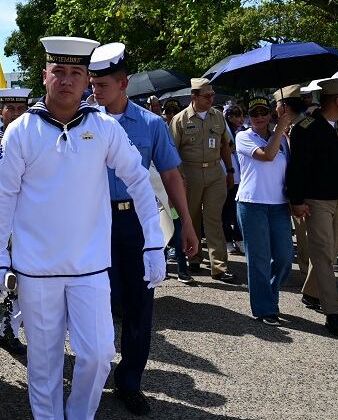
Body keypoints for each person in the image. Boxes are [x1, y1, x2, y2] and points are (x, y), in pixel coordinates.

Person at [0, 36, 166, 420]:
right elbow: (4, 195)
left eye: (76, 73)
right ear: (45, 76)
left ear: (87, 79)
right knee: (44, 363)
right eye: (59, 71)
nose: (66, 80)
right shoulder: (21, 130)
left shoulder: (102, 127)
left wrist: (153, 242)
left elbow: (139, 180)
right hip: (37, 268)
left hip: (89, 266)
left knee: (99, 354)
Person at [88, 43, 198, 416]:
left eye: (102, 85)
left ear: (124, 83)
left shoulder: (151, 125)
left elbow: (171, 175)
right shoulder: (84, 121)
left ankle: (129, 381)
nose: (94, 92)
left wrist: (185, 223)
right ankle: (92, 371)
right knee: (94, 299)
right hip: (91, 222)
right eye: (93, 84)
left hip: (137, 222)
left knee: (139, 303)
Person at [285, 77, 338, 337]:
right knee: (324, 255)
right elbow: (297, 168)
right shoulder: (306, 128)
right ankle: (333, 313)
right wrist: (297, 200)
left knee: (329, 250)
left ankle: (310, 291)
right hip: (316, 202)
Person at [169, 78, 236, 283]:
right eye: (207, 96)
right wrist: (178, 178)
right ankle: (194, 257)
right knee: (192, 217)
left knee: (213, 218)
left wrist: (230, 170)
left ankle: (219, 266)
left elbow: (226, 145)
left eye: (213, 95)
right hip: (190, 173)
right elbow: (172, 151)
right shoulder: (180, 120)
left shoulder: (217, 117)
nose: (211, 99)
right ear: (194, 97)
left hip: (216, 171)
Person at [234, 96, 293, 326]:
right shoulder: (243, 136)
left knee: (285, 257)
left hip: (279, 205)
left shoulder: (283, 139)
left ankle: (269, 295)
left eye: (263, 112)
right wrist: (280, 127)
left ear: (270, 114)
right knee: (258, 259)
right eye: (254, 113)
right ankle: (264, 308)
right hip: (252, 204)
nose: (258, 117)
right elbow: (267, 155)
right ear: (249, 116)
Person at [0, 87, 31, 354]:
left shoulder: (33, 136)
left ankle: (10, 330)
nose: (14, 114)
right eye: (9, 108)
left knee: (22, 277)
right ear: (0, 110)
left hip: (26, 219)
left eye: (20, 109)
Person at [274, 84, 312, 276]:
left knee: (303, 233)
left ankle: (307, 271)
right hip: (296, 188)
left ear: (284, 107)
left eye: (277, 105)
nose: (275, 109)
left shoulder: (300, 128)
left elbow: (297, 163)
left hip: (301, 191)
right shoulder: (301, 125)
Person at [222, 104, 245, 255]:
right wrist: (234, 146)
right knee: (227, 210)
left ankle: (239, 238)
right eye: (236, 115)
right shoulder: (224, 130)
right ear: (229, 117)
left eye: (241, 115)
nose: (240, 119)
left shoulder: (243, 131)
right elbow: (223, 149)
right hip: (227, 173)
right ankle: (228, 240)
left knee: (238, 210)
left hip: (241, 176)